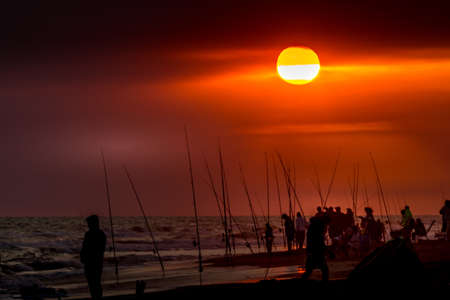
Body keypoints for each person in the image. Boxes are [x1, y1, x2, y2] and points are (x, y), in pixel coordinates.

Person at [81, 215, 106, 300]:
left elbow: (100, 249)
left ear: (95, 223)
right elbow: (84, 247)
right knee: (92, 282)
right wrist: (82, 257)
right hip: (91, 262)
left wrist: (84, 256)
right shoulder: (90, 234)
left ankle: (97, 297)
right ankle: (96, 297)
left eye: (89, 223)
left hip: (95, 262)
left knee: (95, 282)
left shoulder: (99, 234)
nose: (88, 225)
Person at [301, 216, 329, 282]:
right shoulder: (316, 230)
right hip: (316, 253)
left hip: (312, 252)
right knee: (324, 270)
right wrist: (328, 251)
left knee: (310, 270)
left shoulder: (311, 229)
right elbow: (320, 242)